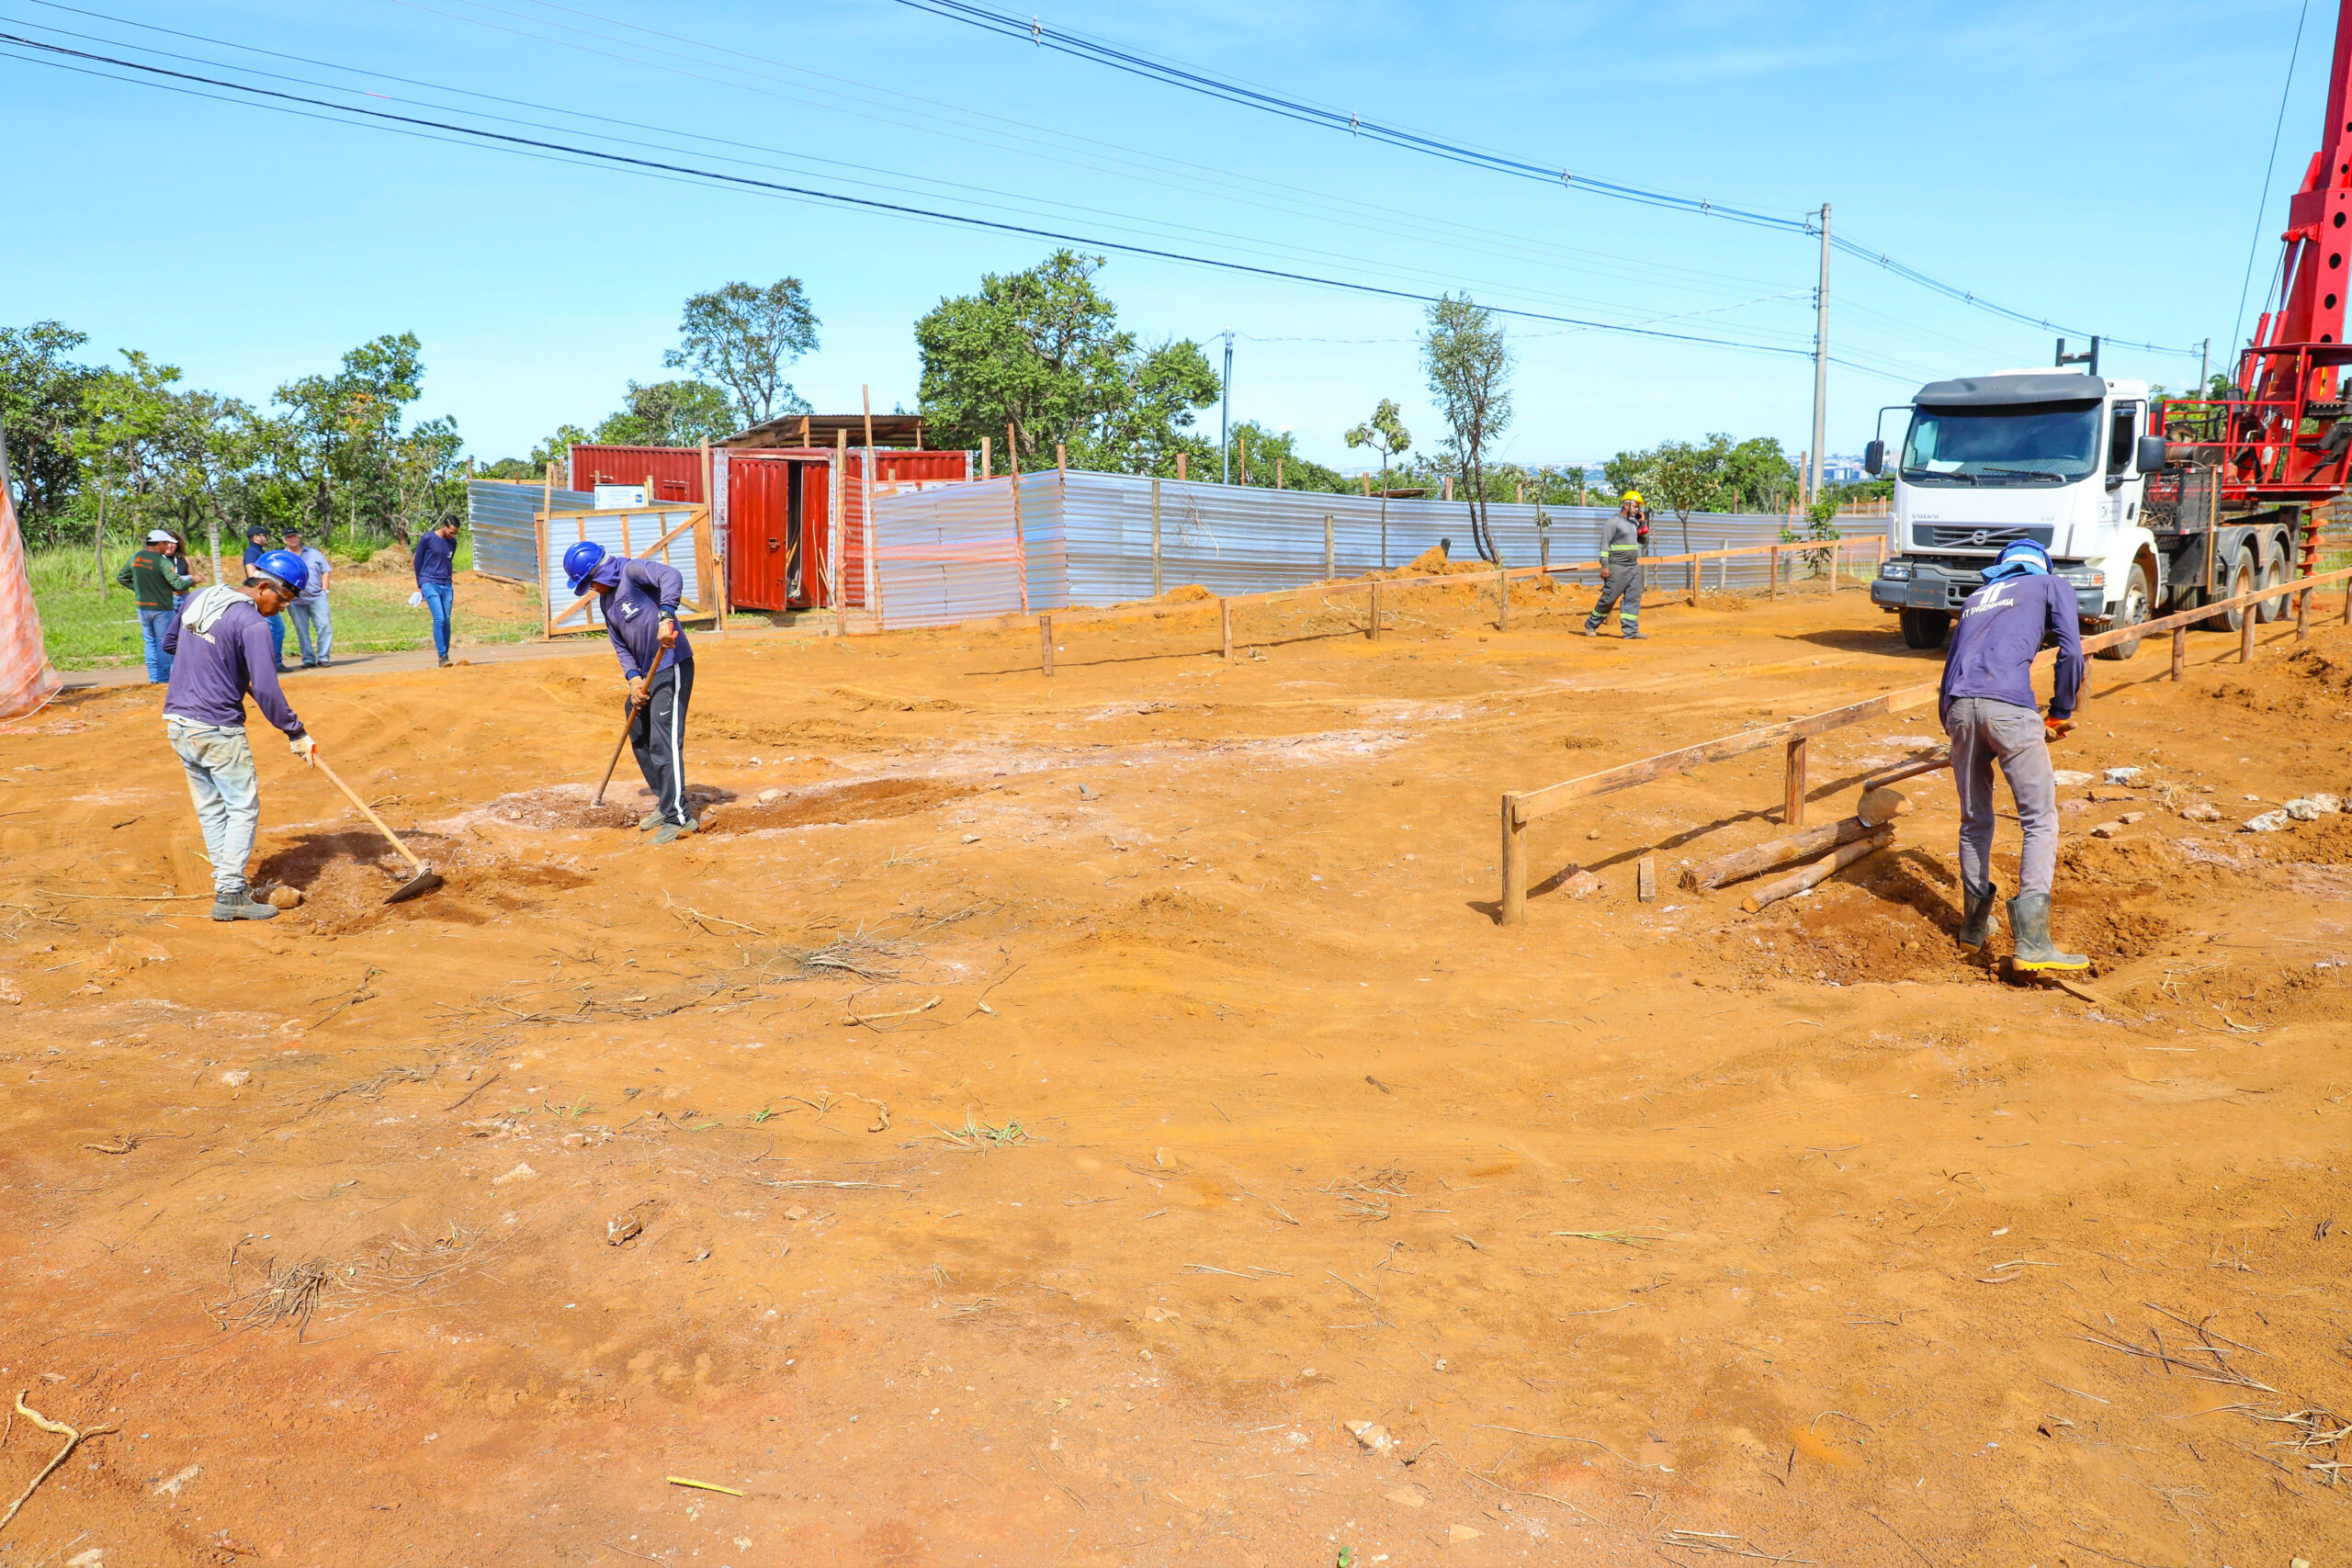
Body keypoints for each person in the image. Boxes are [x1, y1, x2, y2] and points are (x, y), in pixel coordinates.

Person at [1939, 536, 2087, 970]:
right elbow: (2072, 650)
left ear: (2002, 566)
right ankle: (2033, 942)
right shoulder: (2049, 584)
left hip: (1961, 710)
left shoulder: (1977, 597)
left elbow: (1949, 670)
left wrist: (1955, 724)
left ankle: (1973, 928)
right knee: (2039, 819)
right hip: (2011, 709)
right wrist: (2059, 712)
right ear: (2040, 565)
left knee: (1974, 819)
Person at [161, 550, 319, 921]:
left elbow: (172, 644)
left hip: (178, 722)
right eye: (282, 600)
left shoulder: (201, 597)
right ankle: (231, 892)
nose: (282, 609)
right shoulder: (252, 625)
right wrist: (295, 732)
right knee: (242, 808)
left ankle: (227, 883)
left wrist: (216, 669)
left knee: (212, 808)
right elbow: (265, 687)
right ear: (263, 586)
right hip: (217, 729)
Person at [563, 541, 696, 843]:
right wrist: (633, 681)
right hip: (647, 676)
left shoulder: (632, 571)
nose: (592, 589)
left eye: (590, 583)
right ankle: (666, 803)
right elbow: (620, 646)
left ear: (600, 572)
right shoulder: (606, 602)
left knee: (664, 742)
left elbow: (671, 576)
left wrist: (666, 616)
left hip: (671, 665)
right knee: (636, 724)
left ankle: (679, 817)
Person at [117, 527, 193, 683]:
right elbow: (178, 585)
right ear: (159, 544)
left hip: (143, 607)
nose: (167, 547)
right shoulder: (161, 561)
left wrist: (138, 589)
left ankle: (154, 677)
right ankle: (164, 678)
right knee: (162, 641)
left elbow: (122, 577)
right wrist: (194, 580)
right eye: (165, 544)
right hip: (162, 608)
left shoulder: (136, 558)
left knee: (150, 641)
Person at [1582, 491, 1650, 639]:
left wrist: (1643, 523)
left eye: (1639, 506)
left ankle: (1630, 631)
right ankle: (1591, 625)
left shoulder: (1633, 523)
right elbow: (1604, 544)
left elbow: (1643, 541)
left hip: (1633, 567)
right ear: (1626, 505)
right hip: (1617, 567)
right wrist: (1605, 565)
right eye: (1636, 506)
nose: (1638, 509)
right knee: (1609, 598)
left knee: (1633, 598)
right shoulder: (1613, 522)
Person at [240, 525, 290, 673]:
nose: (266, 537)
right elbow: (251, 574)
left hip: (262, 595)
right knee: (276, 629)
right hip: (261, 597)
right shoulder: (252, 552)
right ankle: (273, 663)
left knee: (270, 629)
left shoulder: (257, 551)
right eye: (264, 535)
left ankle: (268, 663)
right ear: (256, 537)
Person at [282, 527, 334, 668]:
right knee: (301, 630)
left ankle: (323, 657)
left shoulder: (313, 553)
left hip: (317, 596)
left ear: (299, 537)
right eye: (288, 537)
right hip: (295, 600)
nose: (292, 539)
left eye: (294, 536)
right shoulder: (283, 557)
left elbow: (326, 571)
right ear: (284, 540)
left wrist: (325, 590)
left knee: (324, 626)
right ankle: (308, 659)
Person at [413, 516, 458, 668]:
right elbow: (417, 561)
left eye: (455, 533)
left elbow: (448, 562)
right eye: (451, 532)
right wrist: (421, 584)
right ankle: (442, 656)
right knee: (439, 618)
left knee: (446, 620)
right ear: (444, 526)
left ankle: (446, 655)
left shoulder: (452, 542)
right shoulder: (428, 538)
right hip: (429, 582)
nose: (452, 535)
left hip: (446, 584)